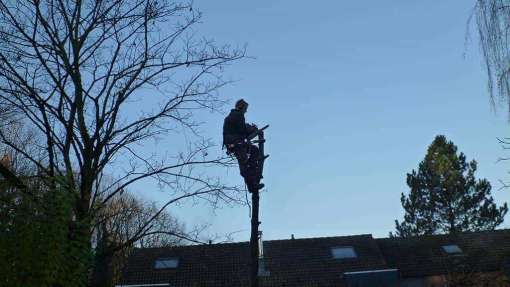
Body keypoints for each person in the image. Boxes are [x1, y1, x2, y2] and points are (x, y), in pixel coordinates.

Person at [223, 99, 264, 192]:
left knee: (253, 151)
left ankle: (253, 175)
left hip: (234, 143)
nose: (246, 111)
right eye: (245, 108)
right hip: (237, 143)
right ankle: (252, 184)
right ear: (241, 107)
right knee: (244, 165)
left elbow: (238, 130)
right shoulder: (238, 115)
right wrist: (252, 129)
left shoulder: (232, 116)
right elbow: (242, 131)